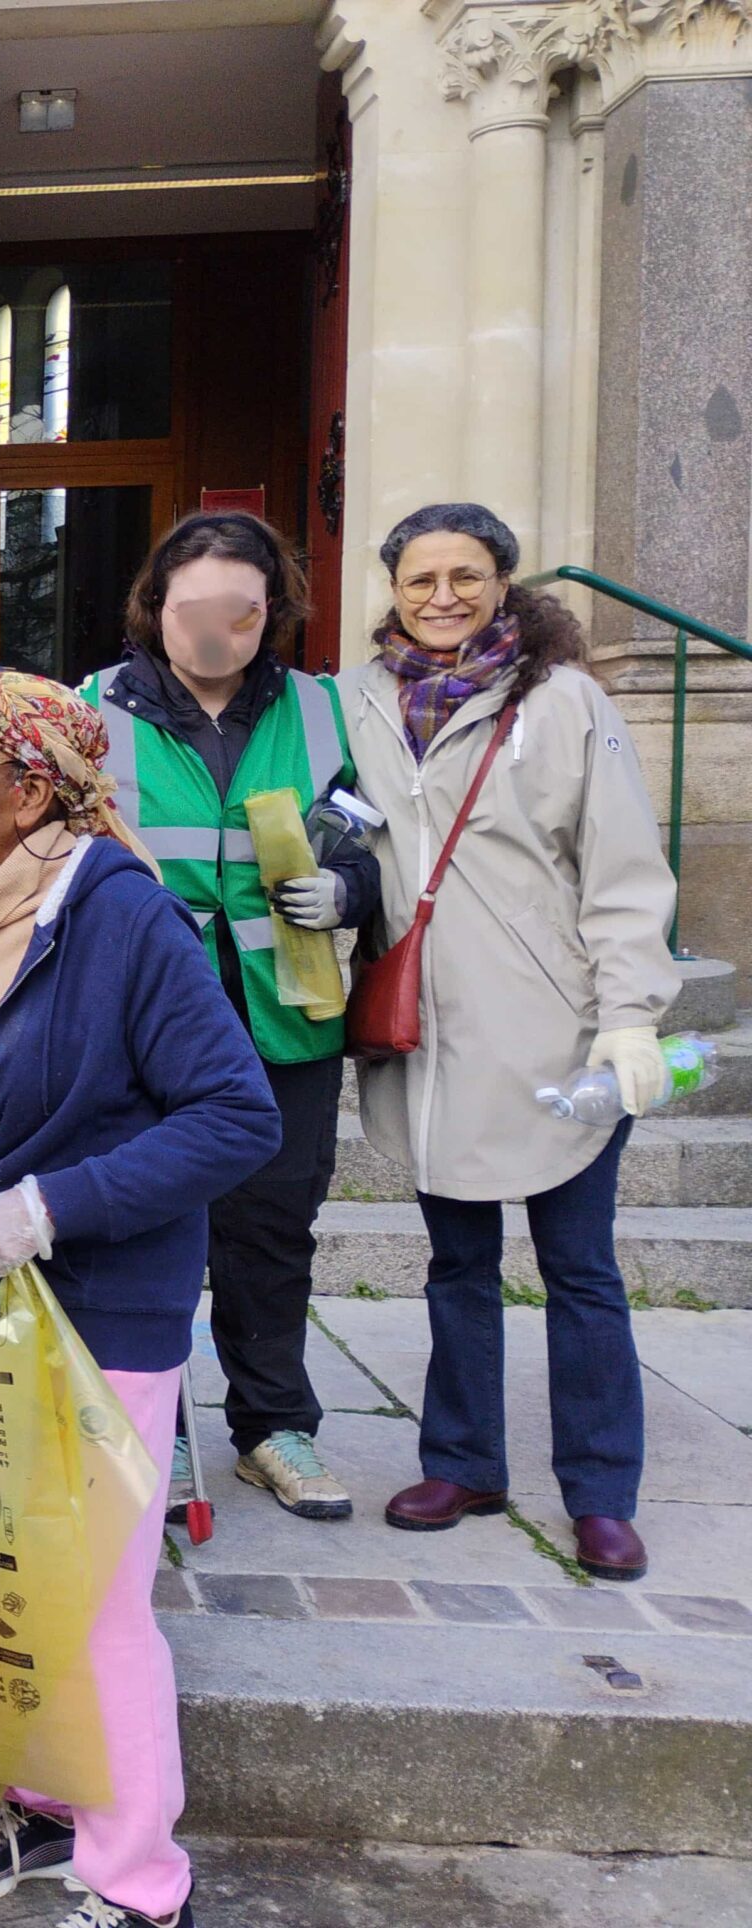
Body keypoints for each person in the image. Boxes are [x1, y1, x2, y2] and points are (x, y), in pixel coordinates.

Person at [0, 673, 279, 1928]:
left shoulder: (119, 918)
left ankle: (141, 1878)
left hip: (82, 1316)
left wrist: (52, 1205)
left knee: (89, 1605)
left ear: (31, 789)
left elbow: (235, 1117)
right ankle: (45, 1808)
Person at [343, 503, 678, 1581]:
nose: (442, 596)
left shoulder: (566, 702)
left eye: (466, 575)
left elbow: (622, 869)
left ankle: (598, 1489)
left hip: (553, 1039)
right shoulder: (357, 704)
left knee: (579, 1269)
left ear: (503, 582)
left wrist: (629, 1013)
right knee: (457, 1263)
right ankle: (463, 1459)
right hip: (430, 1035)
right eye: (420, 578)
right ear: (391, 588)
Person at [78, 513, 378, 1521]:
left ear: (271, 613)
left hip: (281, 1014)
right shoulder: (90, 709)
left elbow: (374, 837)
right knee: (138, 1226)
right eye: (191, 608)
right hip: (139, 1019)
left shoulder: (324, 709)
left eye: (238, 612)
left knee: (270, 1226)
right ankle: (140, 1425)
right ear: (155, 608)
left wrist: (347, 887)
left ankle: (271, 1426)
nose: (215, 631)